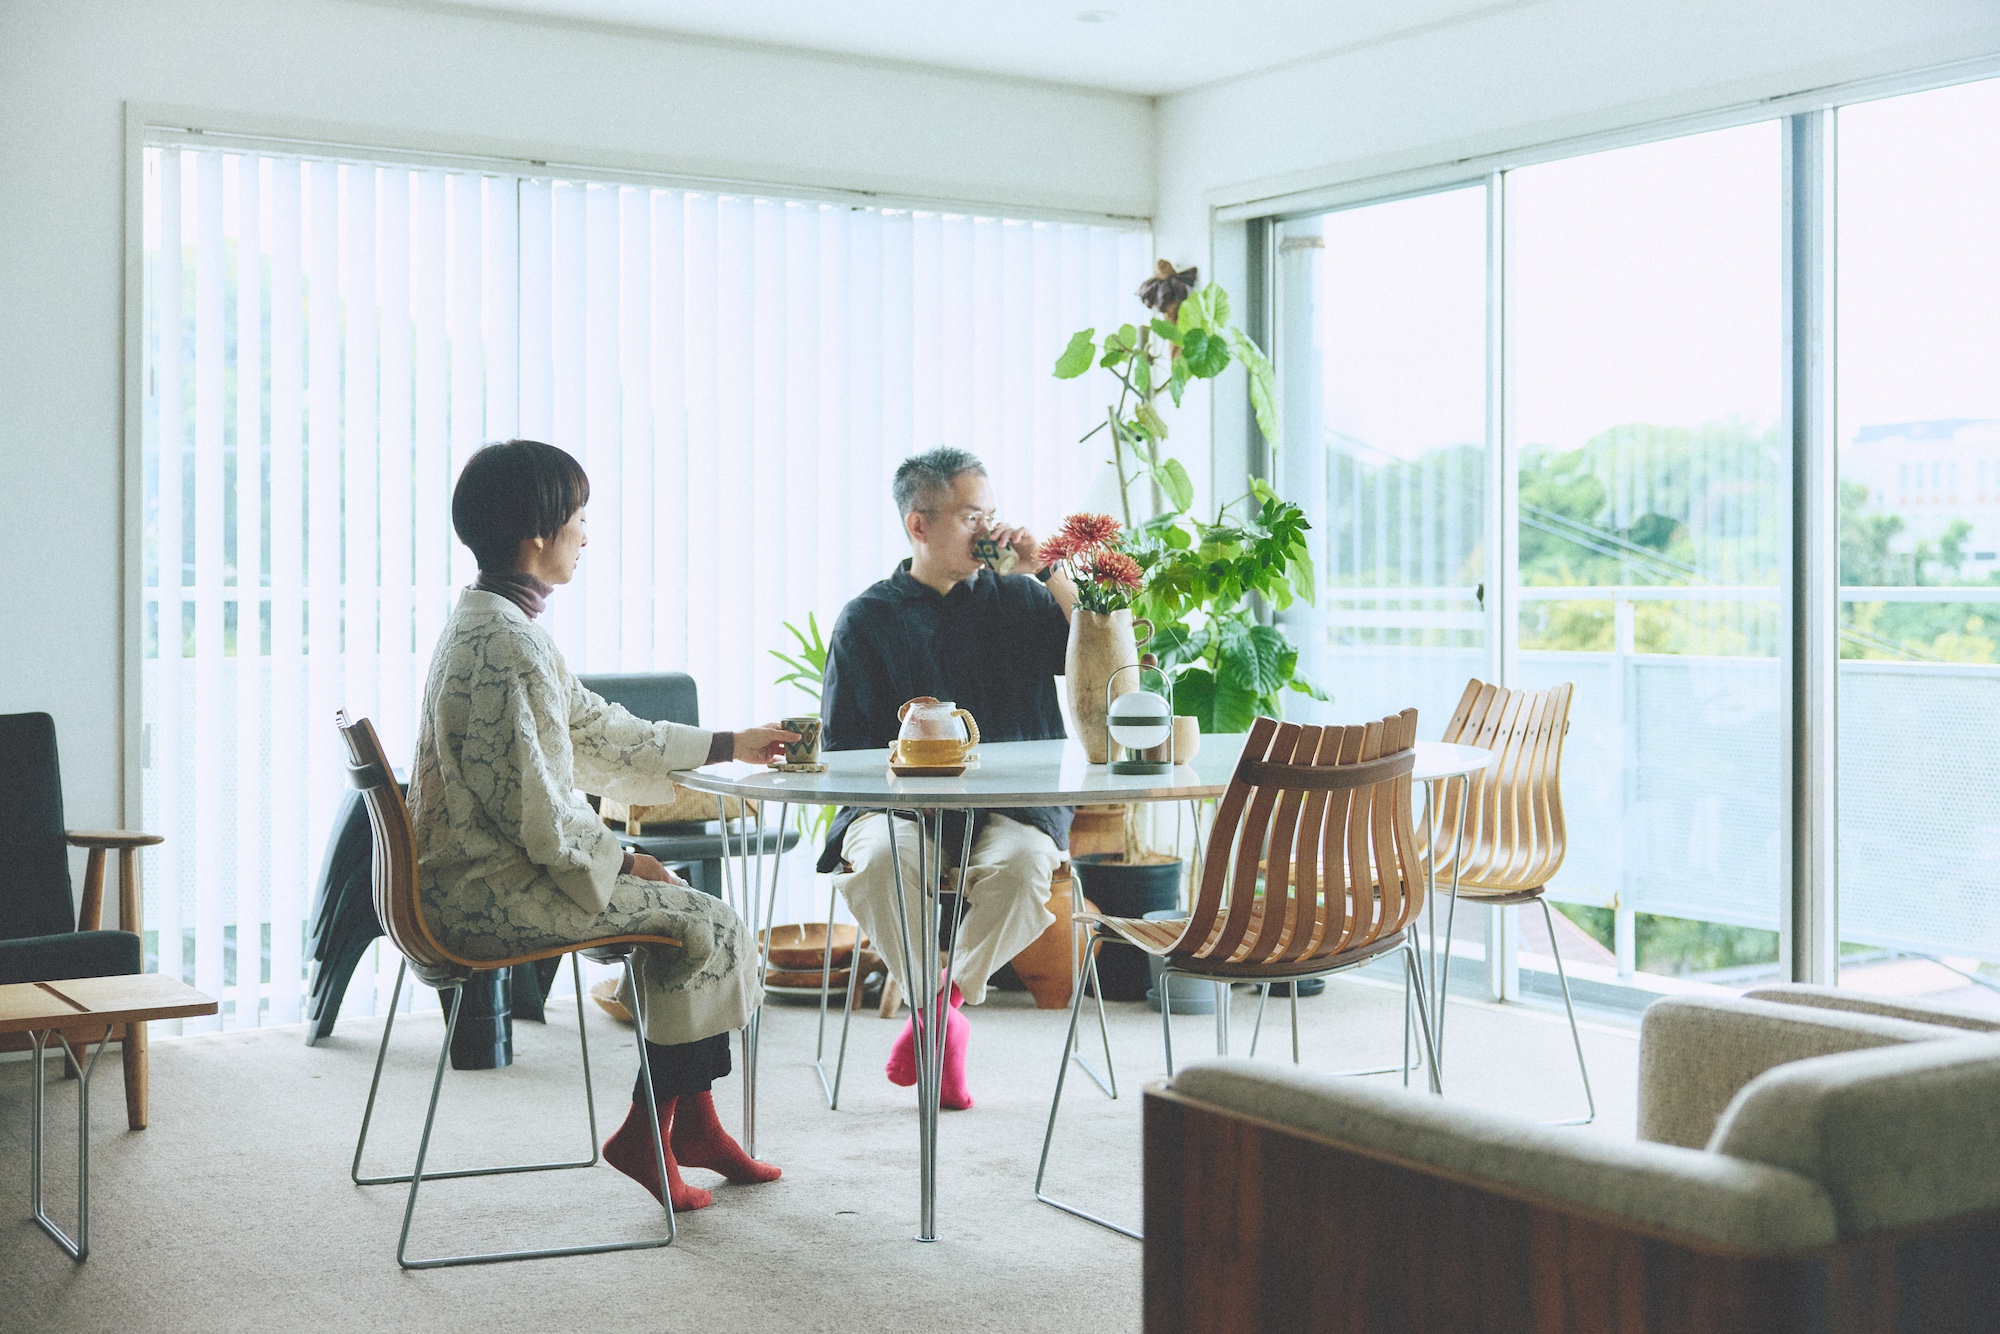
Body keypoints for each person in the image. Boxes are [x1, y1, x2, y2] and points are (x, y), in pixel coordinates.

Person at [406, 438, 797, 1212]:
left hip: (480, 876)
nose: (587, 535)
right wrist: (628, 863)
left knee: (693, 918)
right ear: (538, 535)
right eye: (579, 519)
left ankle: (690, 1128)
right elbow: (541, 811)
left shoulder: (495, 627)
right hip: (486, 896)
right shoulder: (505, 645)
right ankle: (656, 1133)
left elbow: (593, 731)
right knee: (708, 922)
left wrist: (728, 743)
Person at [819, 446, 1077, 1110]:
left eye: (990, 514)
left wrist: (1046, 568)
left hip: (1017, 808)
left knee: (1023, 872)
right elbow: (844, 748)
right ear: (919, 526)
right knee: (876, 861)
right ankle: (943, 1015)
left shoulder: (1023, 599)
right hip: (897, 807)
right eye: (970, 516)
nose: (989, 531)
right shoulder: (867, 618)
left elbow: (1103, 653)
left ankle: (940, 1008)